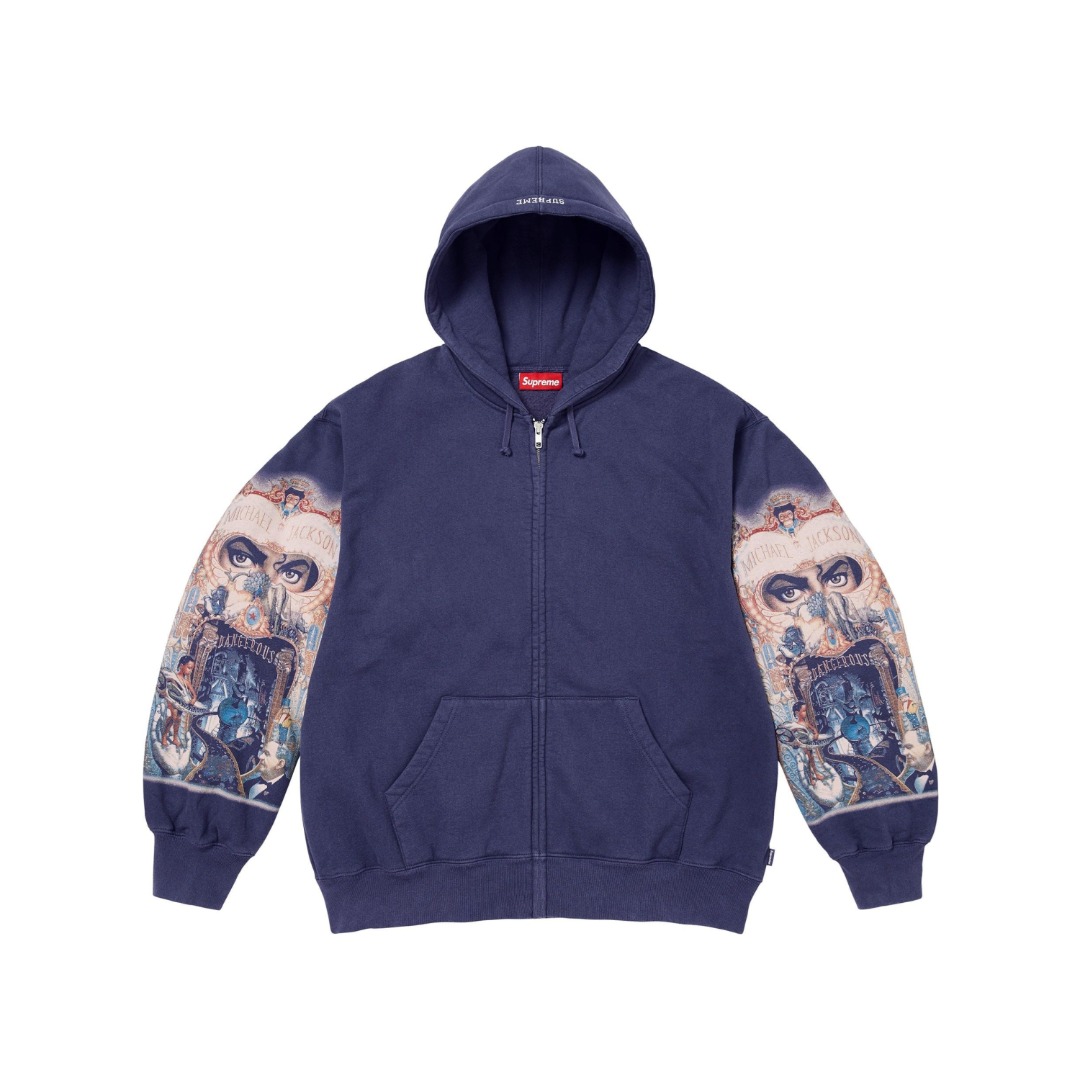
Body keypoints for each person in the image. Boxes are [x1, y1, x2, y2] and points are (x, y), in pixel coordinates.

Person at [901, 728, 937, 793]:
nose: (904, 753)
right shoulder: (909, 782)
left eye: (909, 747)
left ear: (927, 748)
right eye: (904, 748)